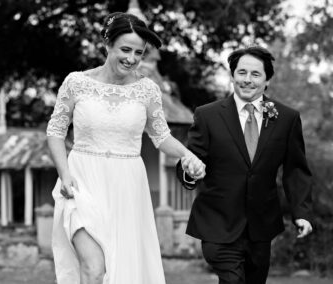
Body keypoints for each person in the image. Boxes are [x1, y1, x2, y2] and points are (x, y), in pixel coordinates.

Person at [46, 12, 205, 284]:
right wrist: (64, 174)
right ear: (108, 45)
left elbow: (161, 137)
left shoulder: (147, 90)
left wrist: (187, 154)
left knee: (122, 271)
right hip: (82, 181)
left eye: (139, 53)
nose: (131, 58)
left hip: (127, 187)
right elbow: (55, 131)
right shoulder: (76, 83)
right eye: (125, 49)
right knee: (93, 268)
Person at [176, 46, 313, 284]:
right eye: (241, 73)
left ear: (267, 80)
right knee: (232, 280)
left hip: (261, 227)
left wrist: (301, 213)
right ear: (232, 76)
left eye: (255, 74)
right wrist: (189, 170)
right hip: (217, 224)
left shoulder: (287, 118)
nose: (247, 80)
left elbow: (295, 169)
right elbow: (189, 159)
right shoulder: (207, 115)